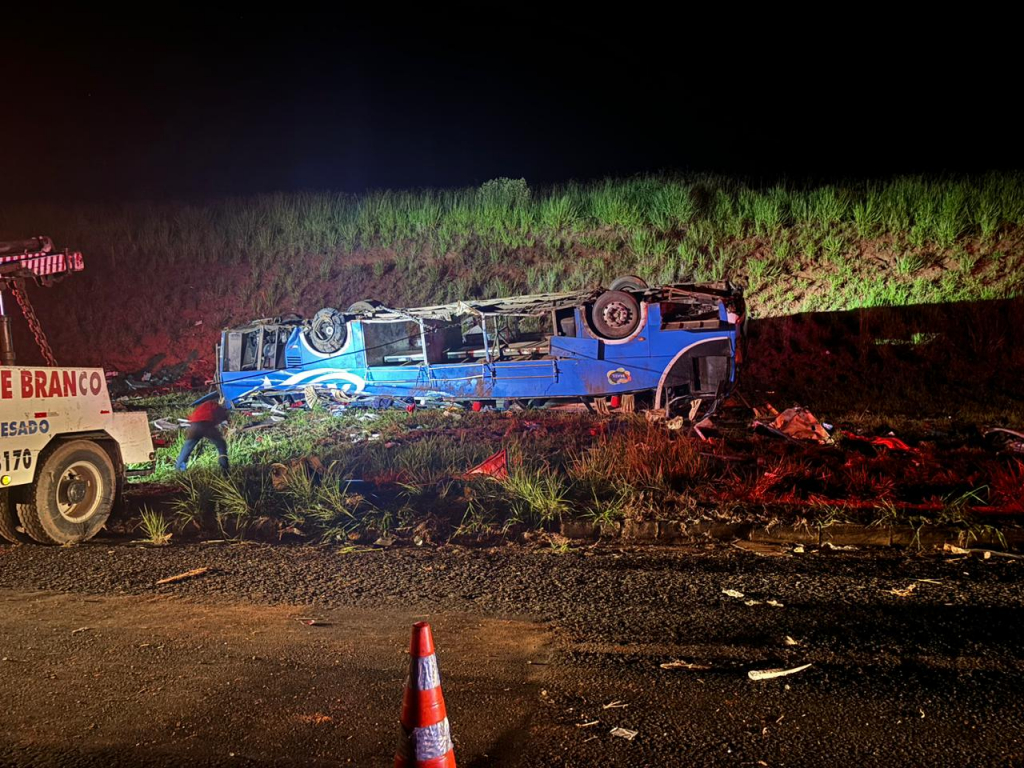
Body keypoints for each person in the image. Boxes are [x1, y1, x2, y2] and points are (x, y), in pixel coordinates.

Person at [175, 398, 230, 474]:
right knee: (221, 445)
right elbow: (220, 419)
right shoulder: (219, 408)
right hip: (205, 424)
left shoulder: (207, 404)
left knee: (187, 448)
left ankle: (179, 470)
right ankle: (224, 468)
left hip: (194, 426)